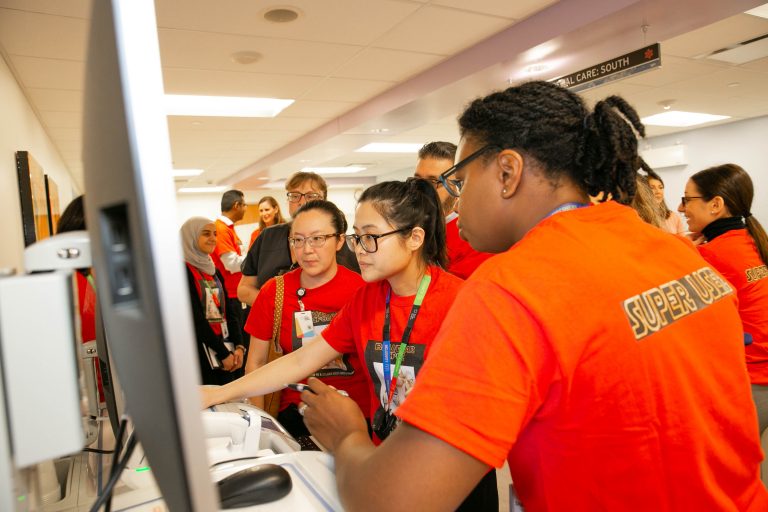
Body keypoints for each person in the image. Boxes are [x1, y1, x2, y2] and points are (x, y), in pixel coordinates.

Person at [298, 80, 768, 511]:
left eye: (459, 182)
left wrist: (347, 436)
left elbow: (393, 501)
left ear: (507, 171)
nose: (456, 202)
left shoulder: (512, 286)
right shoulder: (674, 252)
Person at [203, 179, 498, 511]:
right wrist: (219, 393)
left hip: (449, 476)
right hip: (386, 458)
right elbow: (300, 362)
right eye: (357, 237)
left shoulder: (461, 302)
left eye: (371, 237)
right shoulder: (367, 299)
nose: (359, 249)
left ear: (414, 238)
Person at [243, 200, 368, 439]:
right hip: (295, 415)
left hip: (357, 414)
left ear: (340, 240)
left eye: (317, 239)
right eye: (298, 240)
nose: (307, 250)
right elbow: (256, 363)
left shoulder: (363, 290)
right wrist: (260, 429)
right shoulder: (274, 291)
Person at [678, 163, 768, 435]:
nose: (681, 209)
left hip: (748, 379)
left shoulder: (712, 254)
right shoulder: (751, 240)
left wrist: (682, 249)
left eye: (686, 200)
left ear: (715, 205)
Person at [238, 171, 359, 306]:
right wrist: (278, 309)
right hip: (273, 321)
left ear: (324, 201)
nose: (302, 202)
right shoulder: (268, 237)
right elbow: (244, 289)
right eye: (294, 196)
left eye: (311, 196)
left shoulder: (338, 241)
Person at [181, 217, 245, 385]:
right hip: (200, 353)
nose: (212, 239)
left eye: (215, 234)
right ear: (191, 237)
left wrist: (239, 346)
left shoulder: (213, 270)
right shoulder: (182, 271)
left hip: (224, 349)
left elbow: (229, 311)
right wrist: (223, 353)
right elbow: (196, 320)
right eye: (206, 234)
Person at [414, 141, 492, 279]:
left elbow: (451, 293)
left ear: (458, 185)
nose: (422, 190)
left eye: (433, 182)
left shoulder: (474, 240)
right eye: (418, 181)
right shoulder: (406, 230)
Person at [211, 189, 248, 377]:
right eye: (244, 204)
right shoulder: (221, 229)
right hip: (229, 296)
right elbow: (231, 263)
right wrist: (253, 258)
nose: (246, 208)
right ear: (236, 205)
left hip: (236, 293)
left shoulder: (230, 229)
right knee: (238, 344)